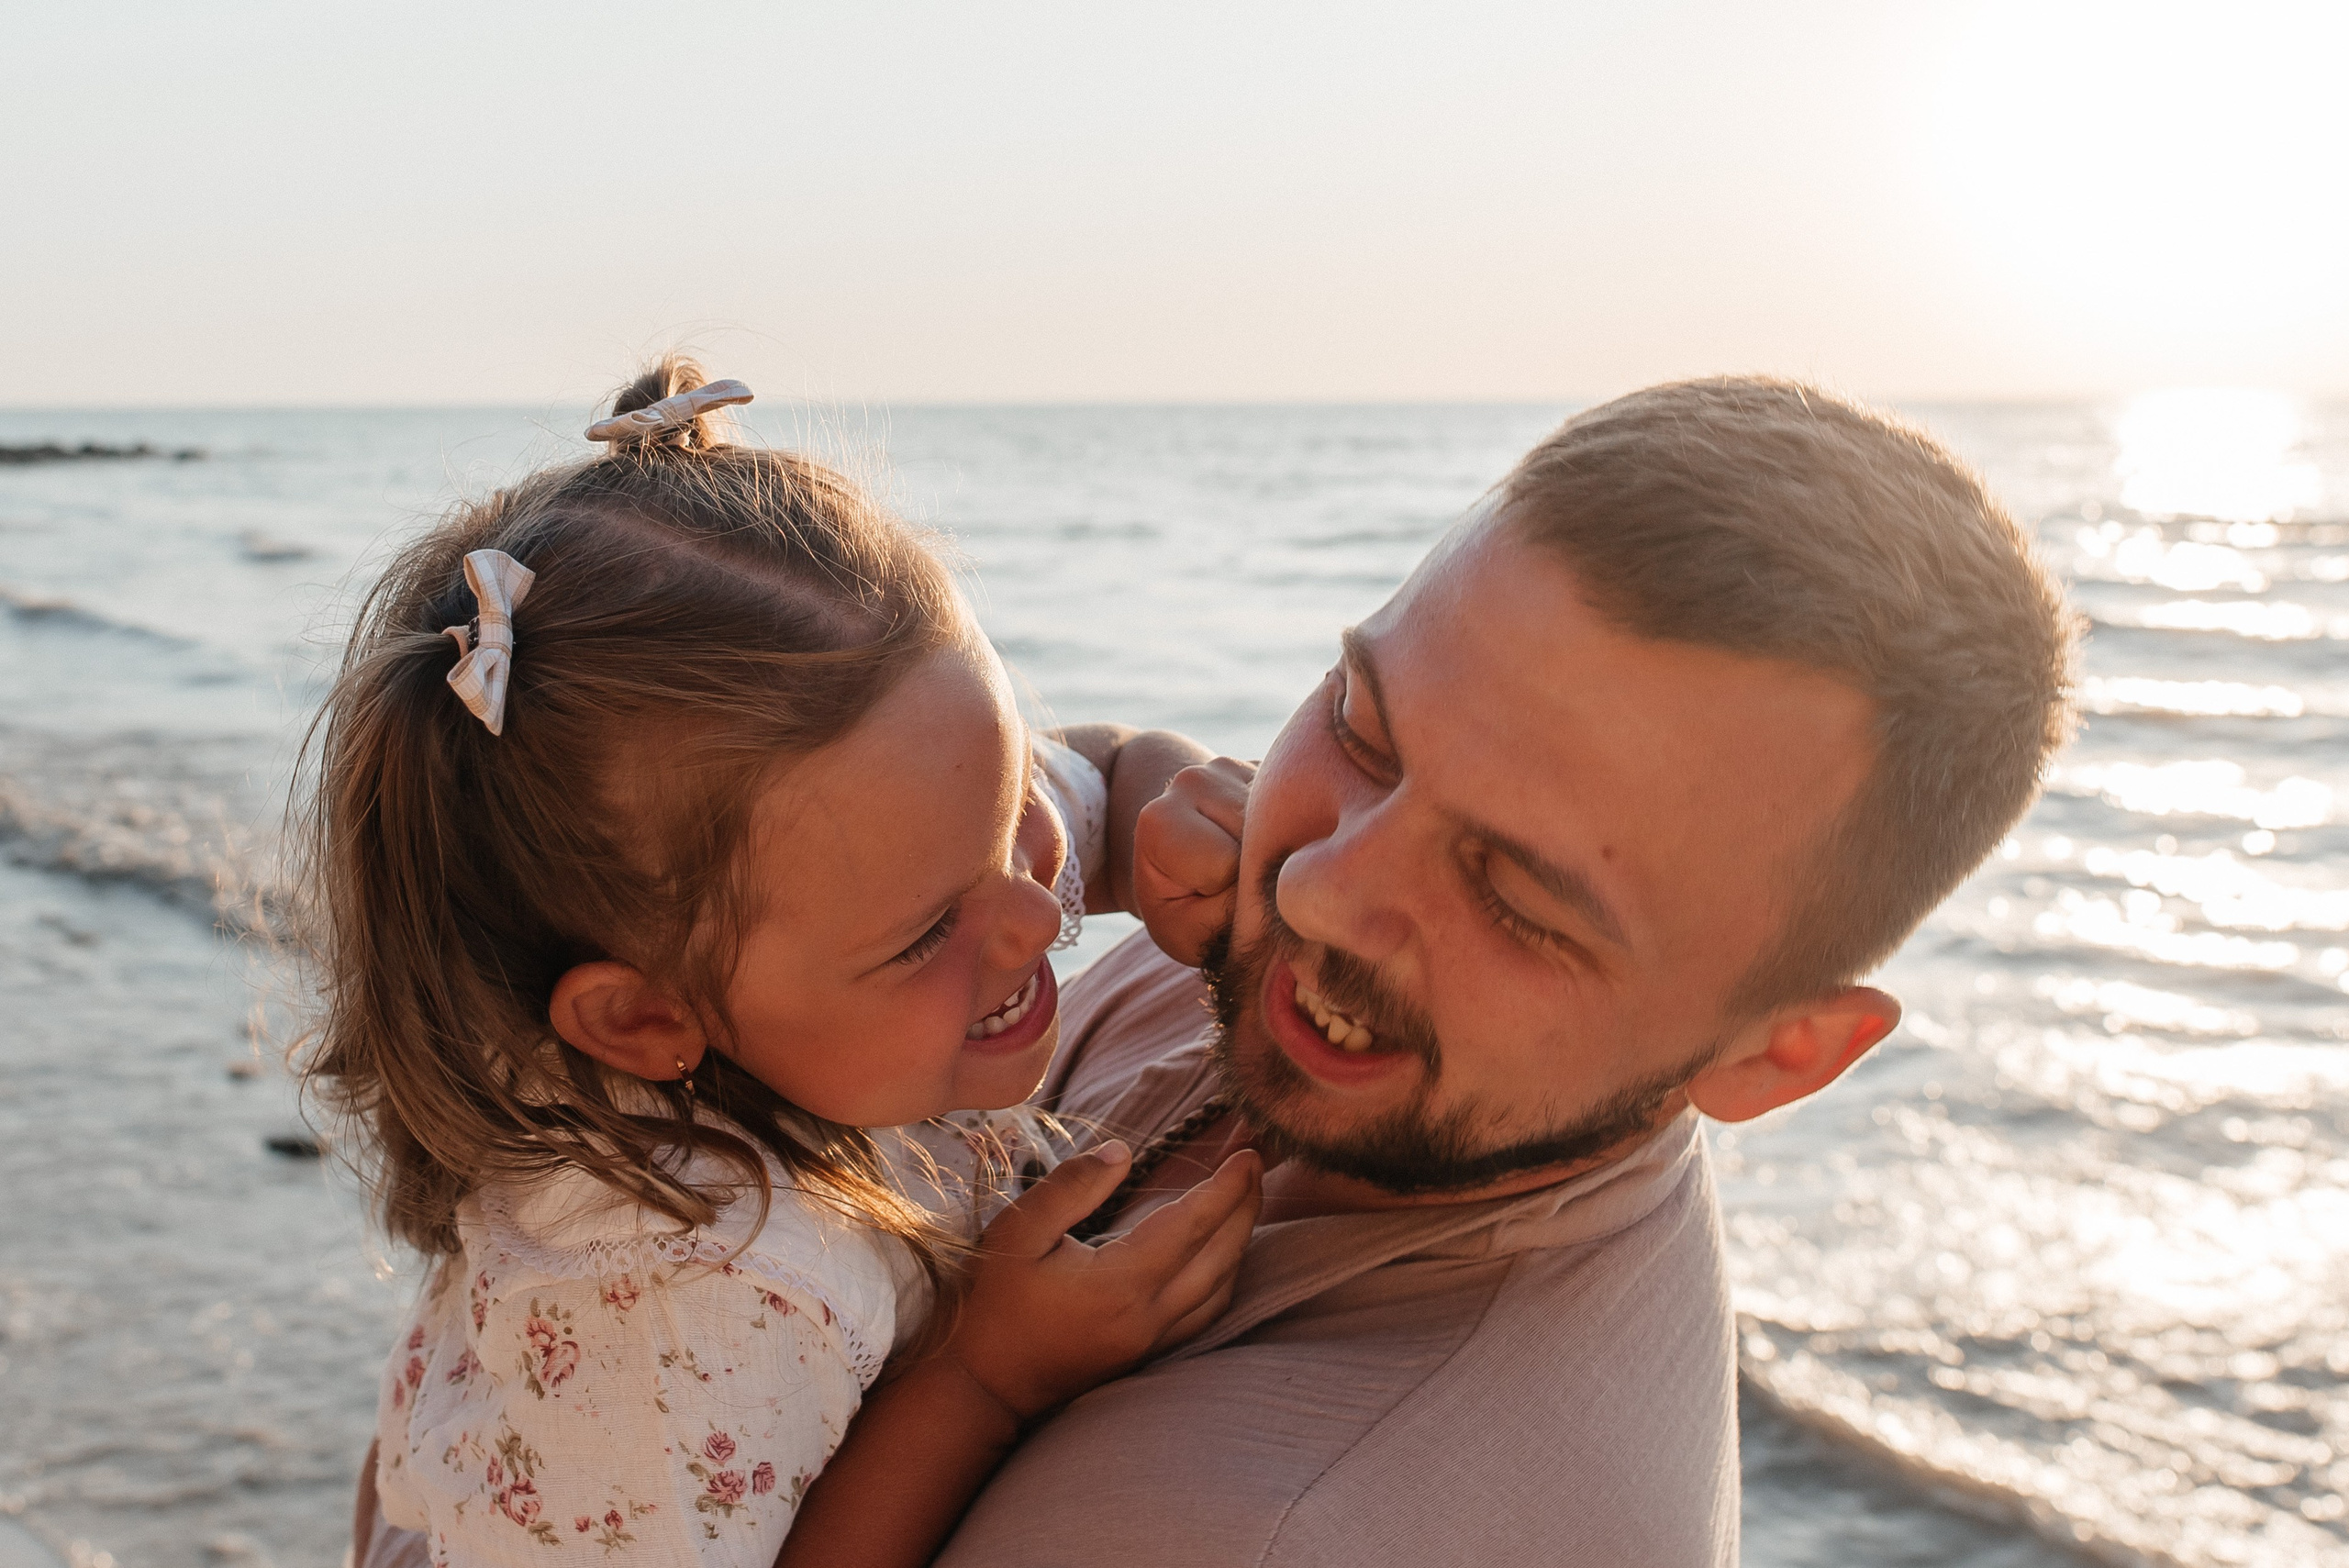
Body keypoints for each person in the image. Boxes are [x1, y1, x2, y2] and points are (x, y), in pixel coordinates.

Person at [937, 377, 2078, 1566]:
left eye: (1518, 899)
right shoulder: (1320, 976)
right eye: (1361, 725)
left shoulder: (1257, 1524)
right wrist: (1079, 810)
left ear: (1775, 1051)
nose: (1320, 886)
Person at [314, 361, 1262, 1568]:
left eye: (1012, 805)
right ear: (650, 1018)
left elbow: (1105, 774)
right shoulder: (692, 1300)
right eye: (930, 933)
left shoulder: (899, 851)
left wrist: (1170, 807)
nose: (1034, 913)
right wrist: (983, 1370)